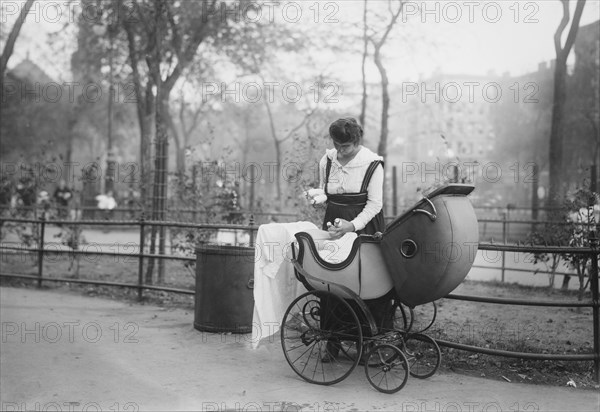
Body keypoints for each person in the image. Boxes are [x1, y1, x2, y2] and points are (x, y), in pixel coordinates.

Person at [316, 117, 393, 362]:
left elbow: (375, 205)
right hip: (334, 226)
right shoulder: (327, 161)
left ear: (356, 141)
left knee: (363, 283)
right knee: (331, 279)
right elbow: (324, 192)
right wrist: (317, 197)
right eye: (337, 144)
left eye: (346, 146)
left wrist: (353, 226)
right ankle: (332, 339)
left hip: (364, 227)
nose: (340, 150)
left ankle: (366, 342)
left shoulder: (372, 165)